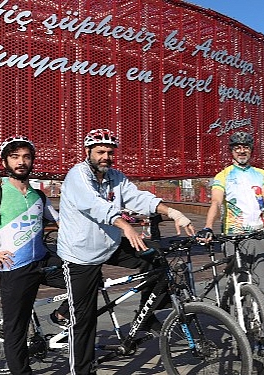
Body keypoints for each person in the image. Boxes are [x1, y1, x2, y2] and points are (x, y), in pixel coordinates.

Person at [57, 129, 195, 375]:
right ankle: (81, 370)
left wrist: (174, 213)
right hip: (81, 254)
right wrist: (124, 225)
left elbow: (139, 198)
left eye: (110, 152)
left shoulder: (115, 177)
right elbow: (94, 204)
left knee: (155, 262)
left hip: (108, 245)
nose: (106, 156)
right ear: (88, 152)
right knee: (84, 321)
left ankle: (147, 317)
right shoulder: (77, 175)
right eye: (100, 152)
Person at [0, 136, 63, 375]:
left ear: (32, 161)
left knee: (86, 278)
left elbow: (63, 222)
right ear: (5, 162)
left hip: (43, 261)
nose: (21, 162)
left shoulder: (38, 196)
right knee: (15, 329)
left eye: (26, 157)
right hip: (14, 268)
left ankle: (61, 314)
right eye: (15, 157)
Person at [197, 131, 264, 297]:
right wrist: (207, 227)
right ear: (231, 151)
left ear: (251, 150)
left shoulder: (261, 174)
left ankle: (260, 322)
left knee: (263, 284)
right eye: (237, 148)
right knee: (239, 284)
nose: (242, 151)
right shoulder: (223, 175)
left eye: (246, 147)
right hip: (234, 237)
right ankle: (238, 320)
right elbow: (216, 202)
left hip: (259, 236)